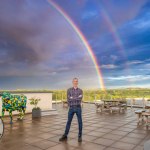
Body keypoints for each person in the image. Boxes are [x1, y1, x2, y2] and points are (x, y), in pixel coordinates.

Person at [59, 78, 83, 142]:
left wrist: (72, 98)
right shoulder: (69, 90)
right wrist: (75, 98)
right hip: (71, 108)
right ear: (72, 82)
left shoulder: (80, 90)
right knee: (68, 122)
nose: (75, 82)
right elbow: (68, 99)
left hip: (78, 108)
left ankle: (80, 136)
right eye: (74, 81)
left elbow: (79, 99)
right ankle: (65, 135)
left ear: (77, 82)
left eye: (76, 81)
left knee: (80, 122)